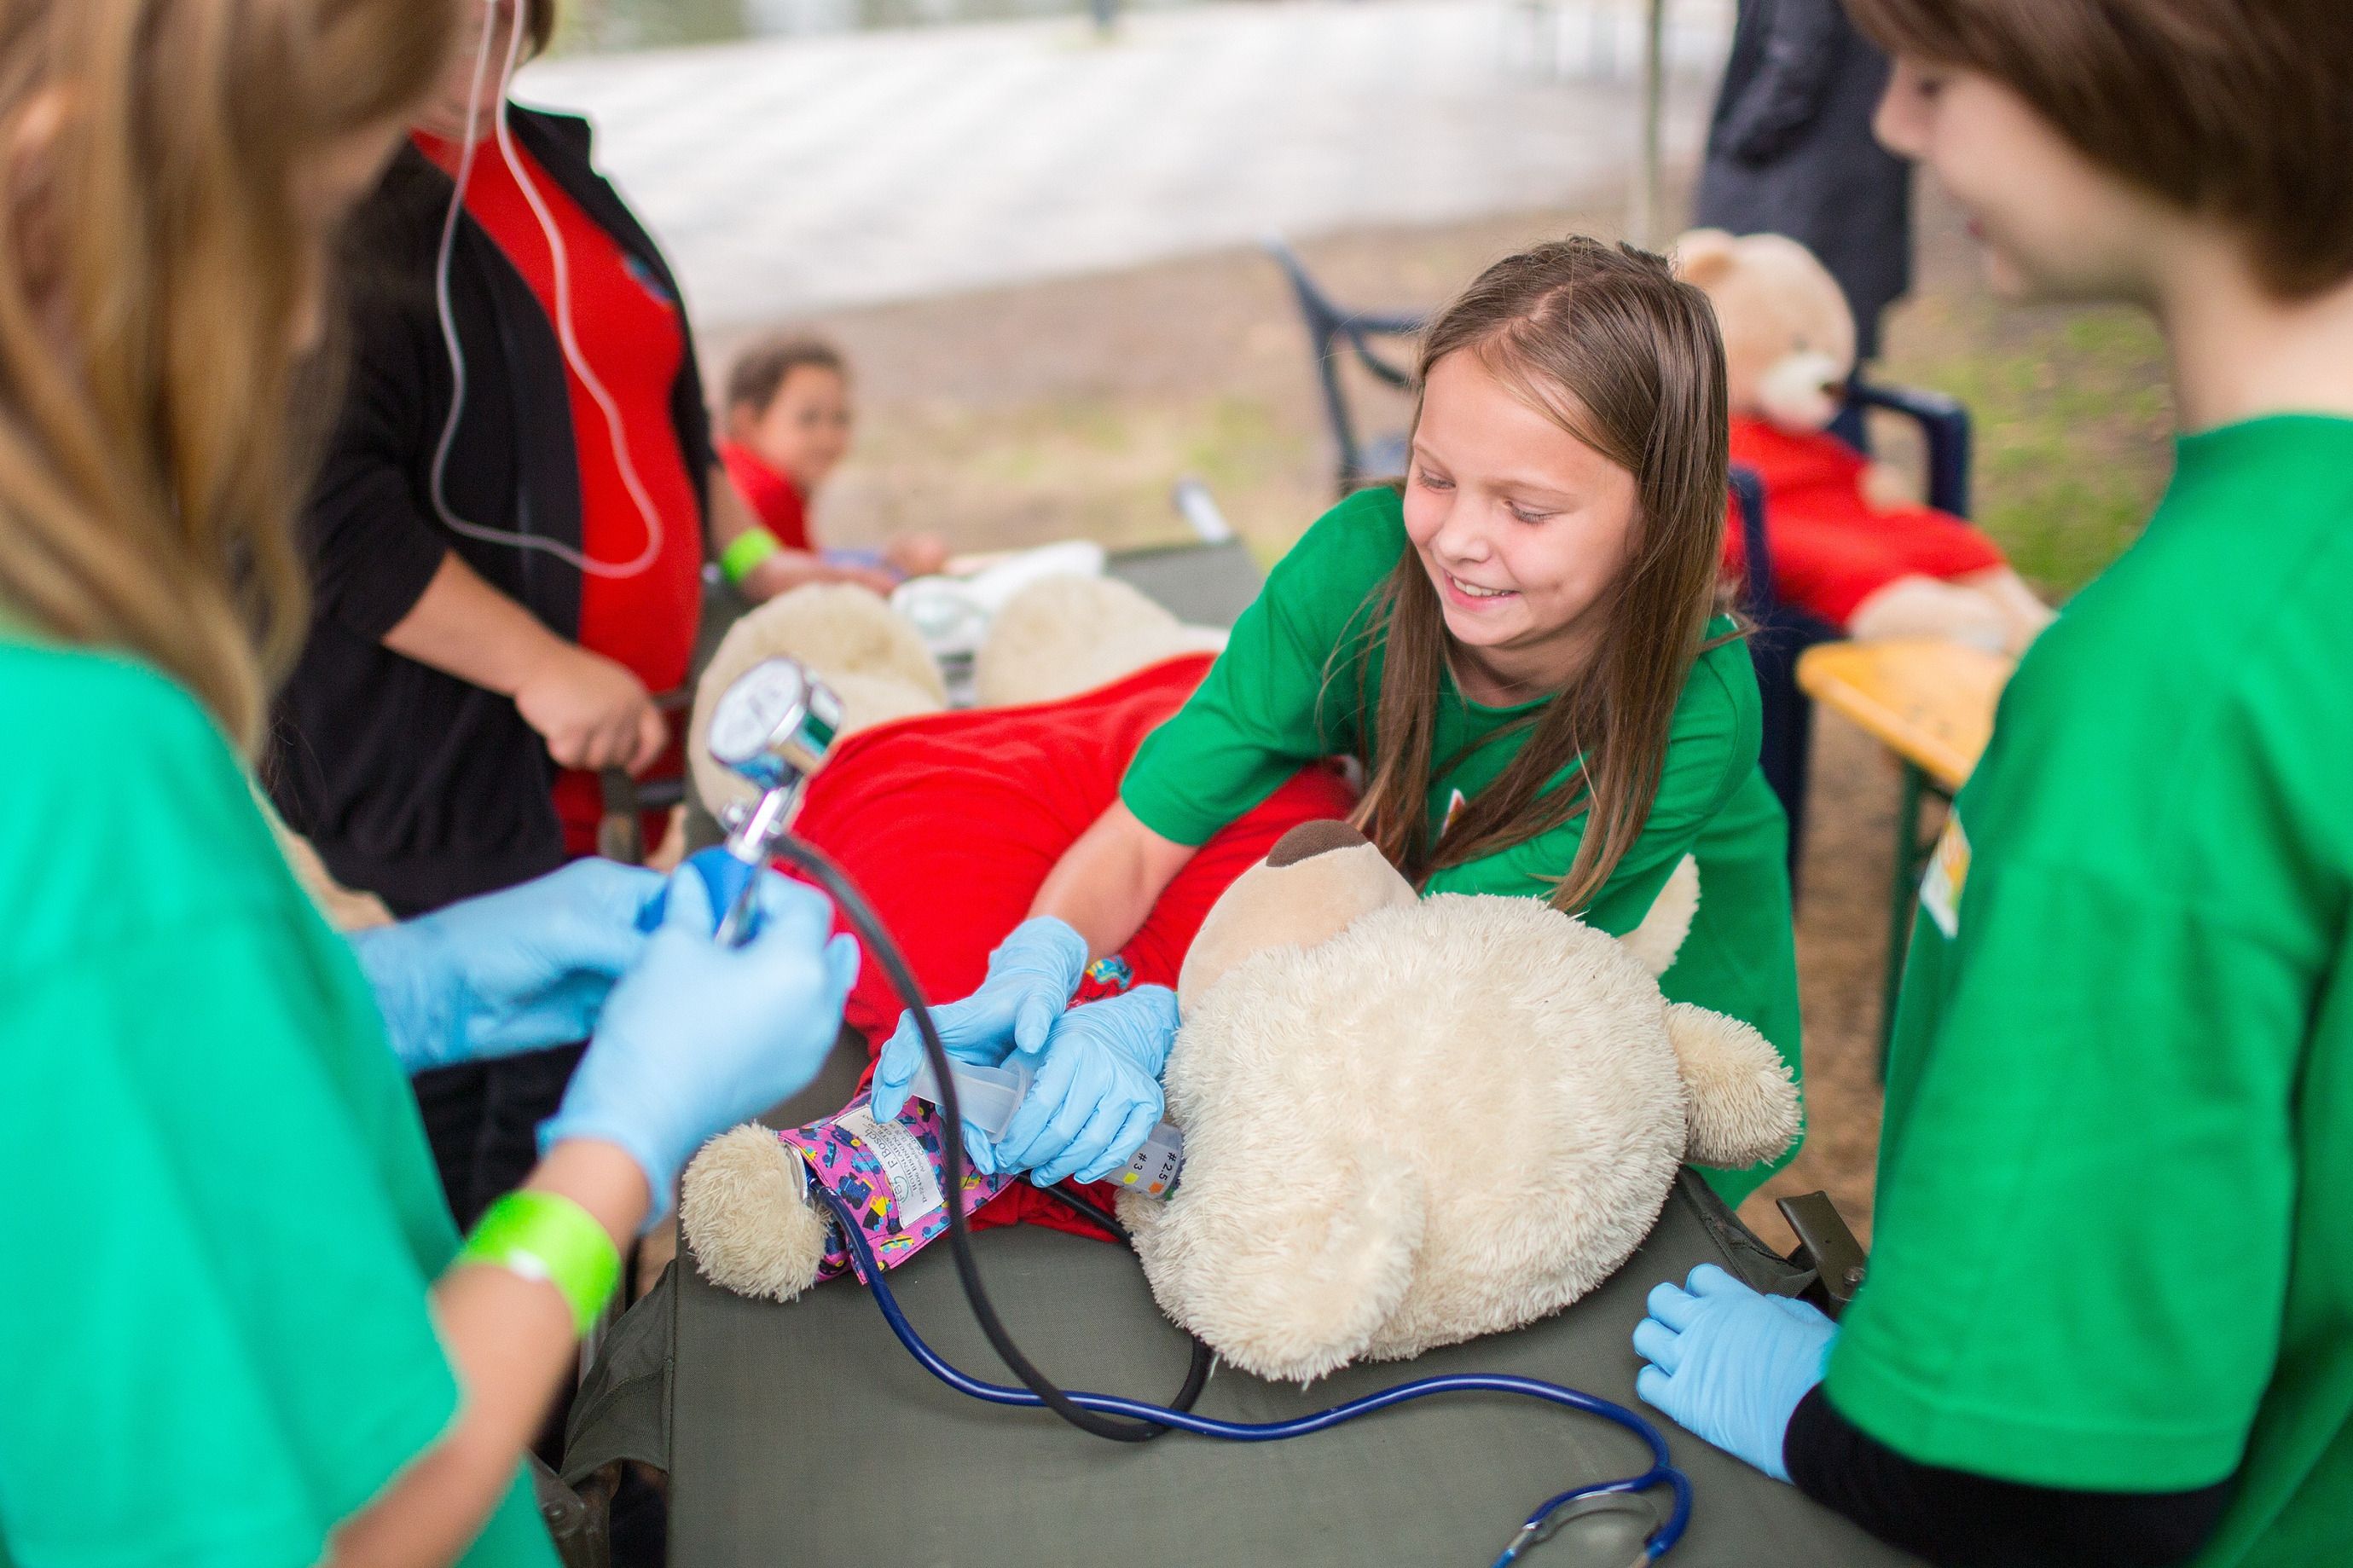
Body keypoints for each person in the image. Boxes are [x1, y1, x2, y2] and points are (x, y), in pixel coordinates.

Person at [0, 3, 851, 1563]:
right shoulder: (83, 770)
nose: (301, 326)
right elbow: (358, 1517)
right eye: (311, 227)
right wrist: (615, 1144)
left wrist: (389, 988)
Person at [1631, 4, 2353, 1565]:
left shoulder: (2169, 683)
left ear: (2159, 65)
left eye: (1939, 74)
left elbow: (2048, 1479)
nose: (1892, 127)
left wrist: (1833, 1422)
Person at [872, 237, 1805, 1207]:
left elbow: (1425, 954)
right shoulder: (1353, 565)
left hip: (1676, 950)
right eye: (1432, 476)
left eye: (1526, 509)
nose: (1456, 538)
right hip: (1414, 890)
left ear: (1657, 517)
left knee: (1627, 1186)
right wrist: (1042, 954)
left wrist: (1154, 1024)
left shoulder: (1694, 712)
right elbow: (1152, 824)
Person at [269, 0, 785, 1224]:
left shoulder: (551, 159)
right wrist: (540, 665)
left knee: (555, 1063)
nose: (483, 24)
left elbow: (665, 414)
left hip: (617, 747)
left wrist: (762, 562)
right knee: (508, 1100)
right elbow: (323, 509)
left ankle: (532, 1358)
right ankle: (506, 1389)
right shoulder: (337, 215)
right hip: (455, 758)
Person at [1694, 0, 1912, 363]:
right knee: (1827, 368)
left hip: (1799, 202)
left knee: (1795, 365)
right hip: (1835, 196)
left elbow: (1795, 63)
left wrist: (1737, 141)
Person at [716, 333, 948, 597]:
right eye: (808, 419)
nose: (827, 438)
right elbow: (795, 586)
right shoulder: (765, 492)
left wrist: (884, 559)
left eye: (840, 418)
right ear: (748, 422)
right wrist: (898, 573)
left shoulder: (730, 470)